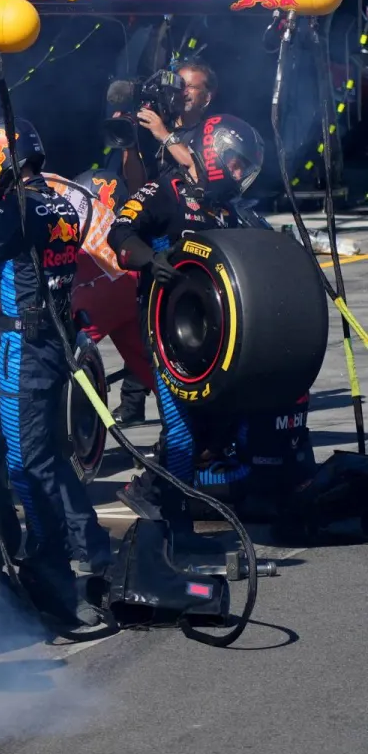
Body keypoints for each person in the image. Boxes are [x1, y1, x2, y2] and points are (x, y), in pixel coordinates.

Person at [0, 120, 109, 626]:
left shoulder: (13, 208)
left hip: (25, 344)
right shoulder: (61, 200)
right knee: (53, 457)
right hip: (60, 341)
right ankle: (94, 546)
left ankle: (51, 565)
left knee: (23, 465)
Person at [107, 114, 268, 540]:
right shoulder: (166, 189)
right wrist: (147, 259)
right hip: (166, 332)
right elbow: (120, 230)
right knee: (180, 429)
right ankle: (174, 528)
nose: (239, 173)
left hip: (219, 339)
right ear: (213, 154)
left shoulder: (227, 209)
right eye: (234, 163)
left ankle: (160, 490)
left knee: (227, 428)